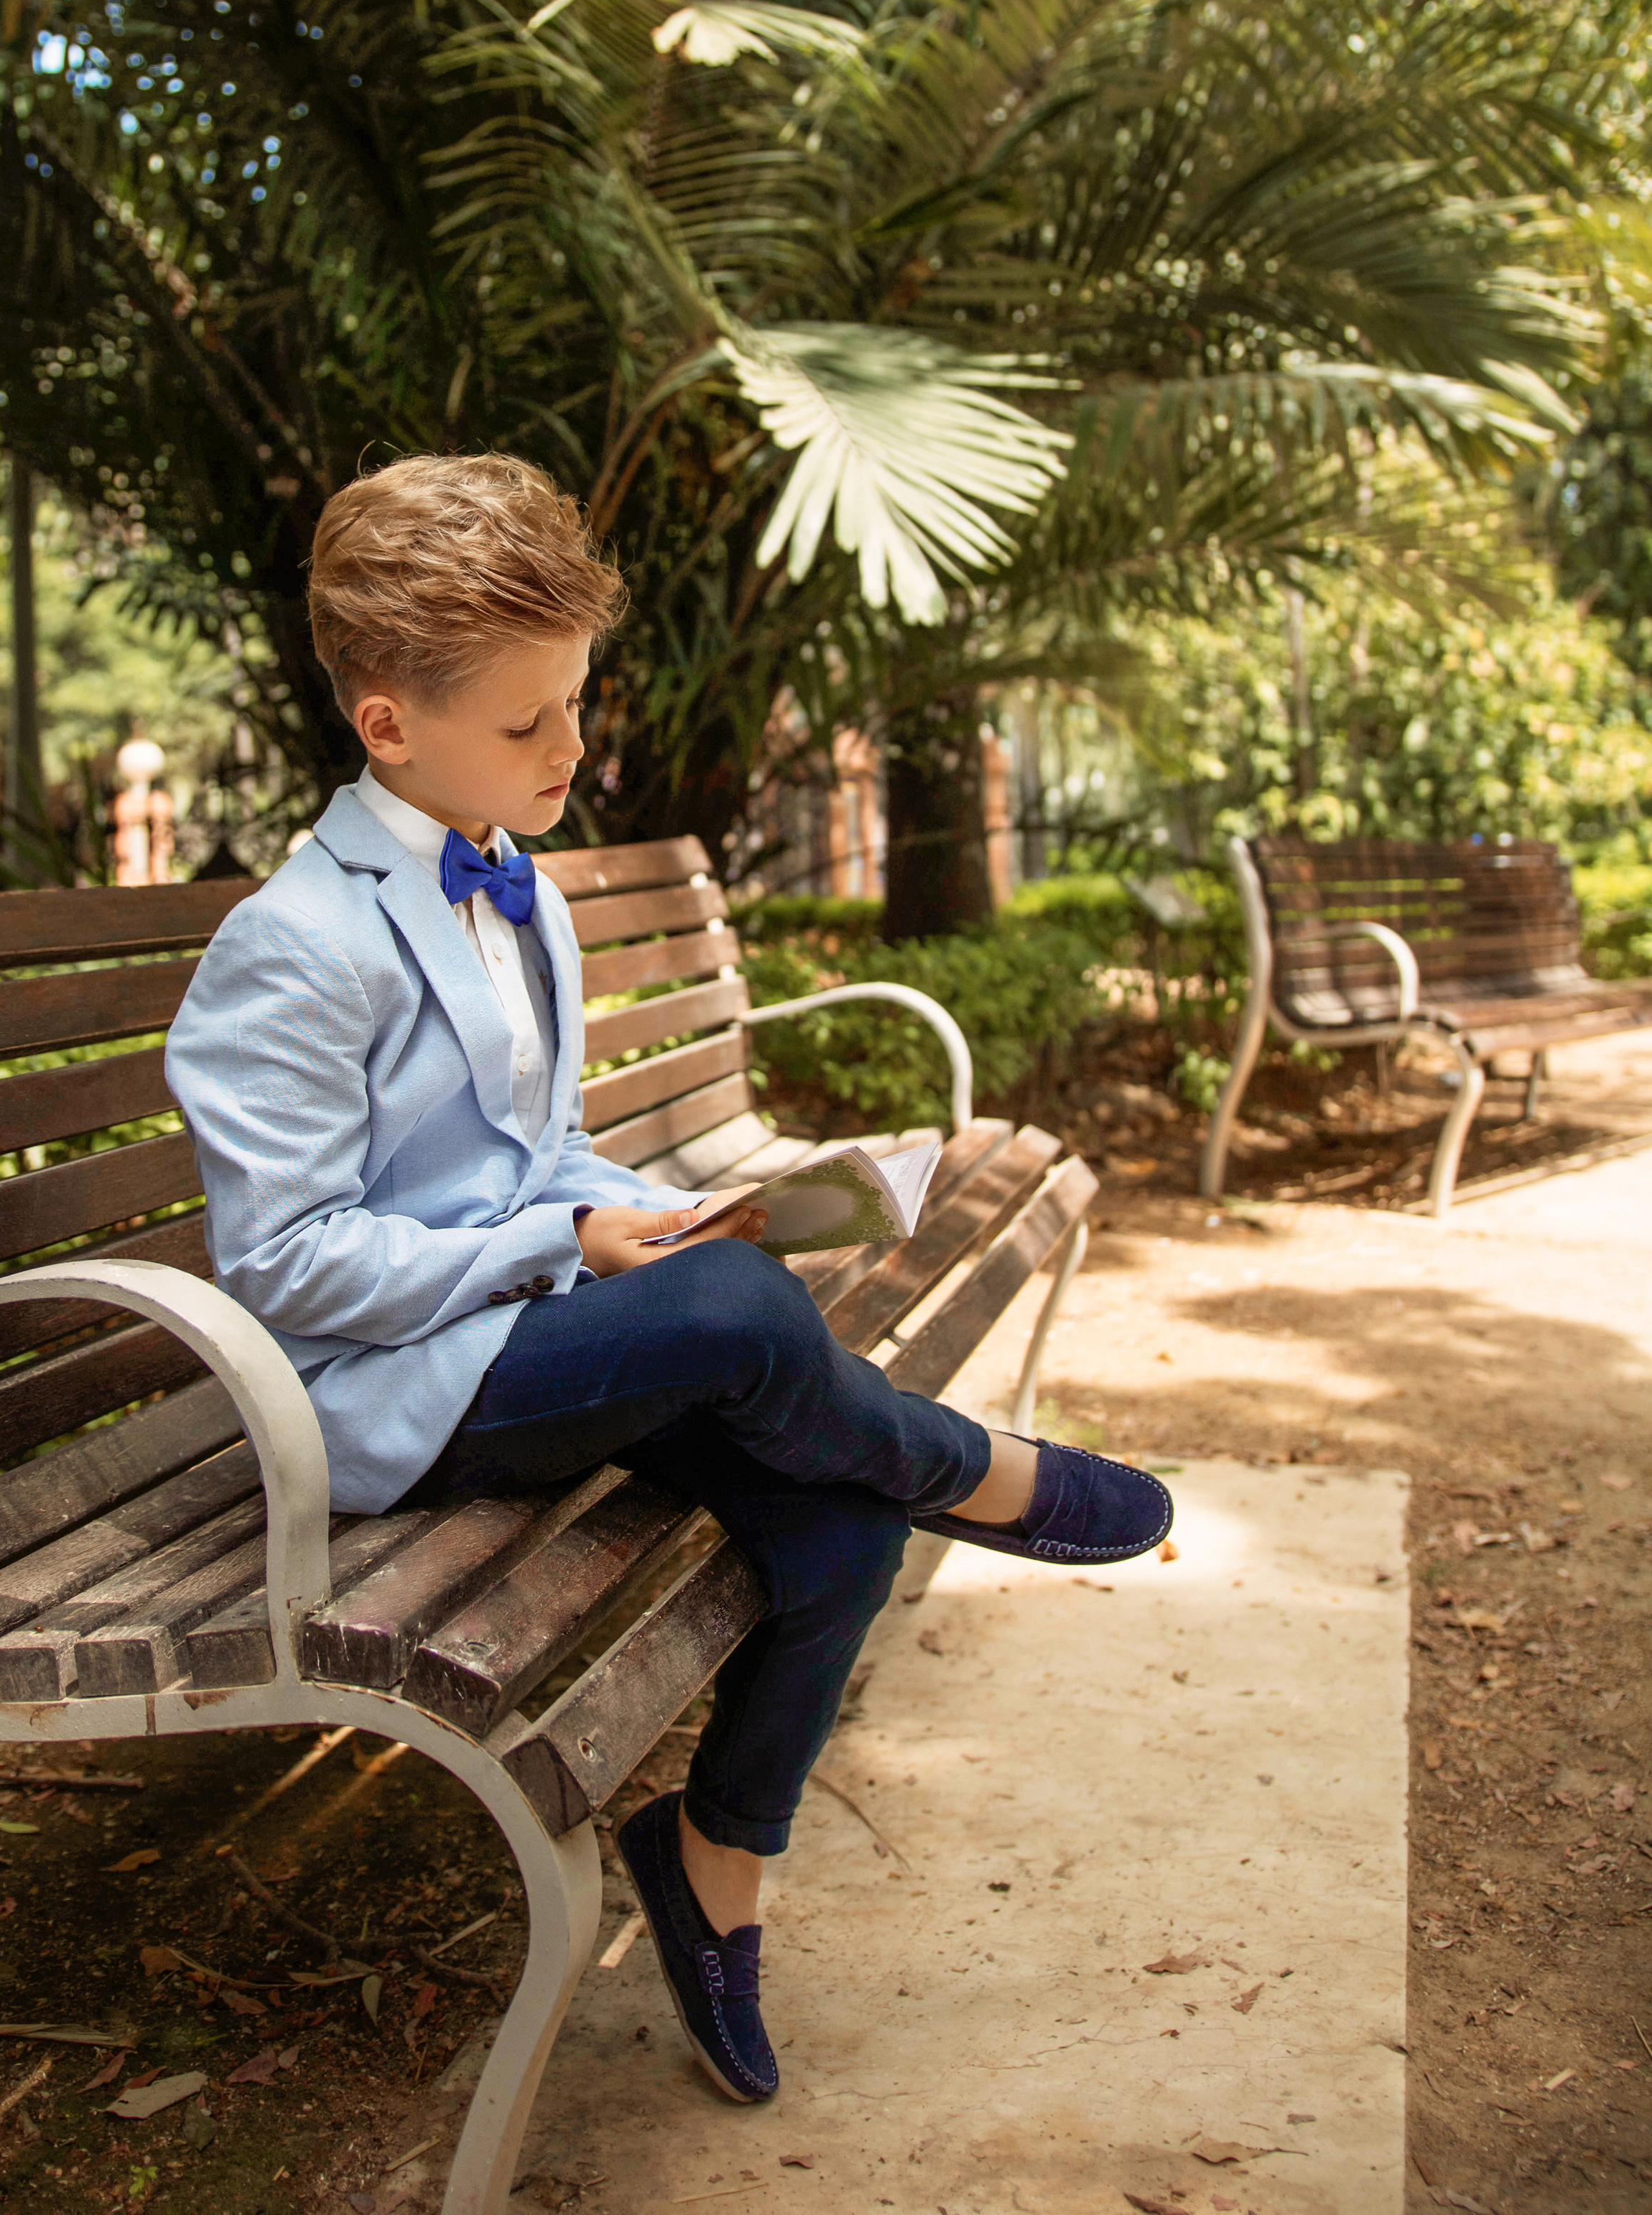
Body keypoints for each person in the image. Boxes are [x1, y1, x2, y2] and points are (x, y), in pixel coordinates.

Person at [165, 453, 1170, 2110]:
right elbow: (282, 1265)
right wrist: (566, 1249)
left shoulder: (516, 882)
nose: (573, 750)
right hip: (381, 1395)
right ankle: (968, 1470)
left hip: (533, 1337)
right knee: (736, 1326)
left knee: (828, 1514)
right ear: (386, 724)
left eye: (576, 705)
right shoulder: (295, 941)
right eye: (528, 722)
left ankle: (708, 1878)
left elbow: (535, 1150)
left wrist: (681, 1203)